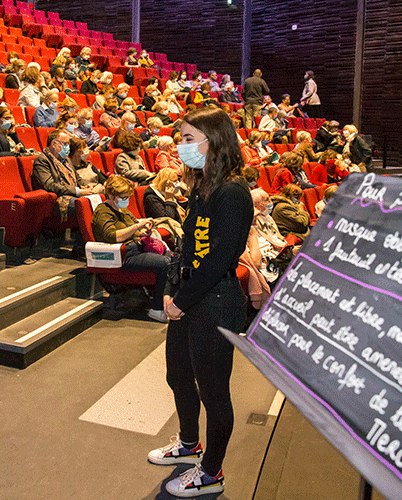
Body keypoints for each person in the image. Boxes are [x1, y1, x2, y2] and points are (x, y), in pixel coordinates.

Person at [148, 106, 252, 498]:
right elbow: (188, 246)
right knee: (177, 375)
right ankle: (189, 444)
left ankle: (211, 473)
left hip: (216, 301)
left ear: (215, 142)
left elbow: (218, 259)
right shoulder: (203, 185)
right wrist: (171, 288)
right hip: (189, 296)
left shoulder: (232, 193)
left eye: (189, 139)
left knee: (213, 392)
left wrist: (181, 300)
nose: (182, 146)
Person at [92, 175, 170, 322]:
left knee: (174, 257)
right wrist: (137, 227)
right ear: (112, 195)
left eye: (128, 196)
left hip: (137, 248)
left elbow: (134, 229)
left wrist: (143, 231)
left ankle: (169, 304)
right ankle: (156, 308)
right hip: (123, 255)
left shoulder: (123, 210)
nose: (126, 200)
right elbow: (112, 236)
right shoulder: (103, 211)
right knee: (166, 263)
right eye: (123, 197)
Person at [32, 129, 93, 221]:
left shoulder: (66, 160)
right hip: (57, 200)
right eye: (65, 144)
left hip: (72, 194)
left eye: (68, 144)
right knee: (84, 203)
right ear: (54, 144)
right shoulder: (42, 160)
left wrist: (84, 187)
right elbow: (49, 185)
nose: (68, 147)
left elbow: (78, 179)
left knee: (99, 197)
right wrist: (76, 191)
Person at [250, 188, 289, 285]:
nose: (271, 202)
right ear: (255, 205)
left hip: (278, 257)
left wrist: (289, 248)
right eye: (267, 200)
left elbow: (277, 239)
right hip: (268, 266)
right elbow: (256, 262)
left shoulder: (268, 217)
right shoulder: (248, 226)